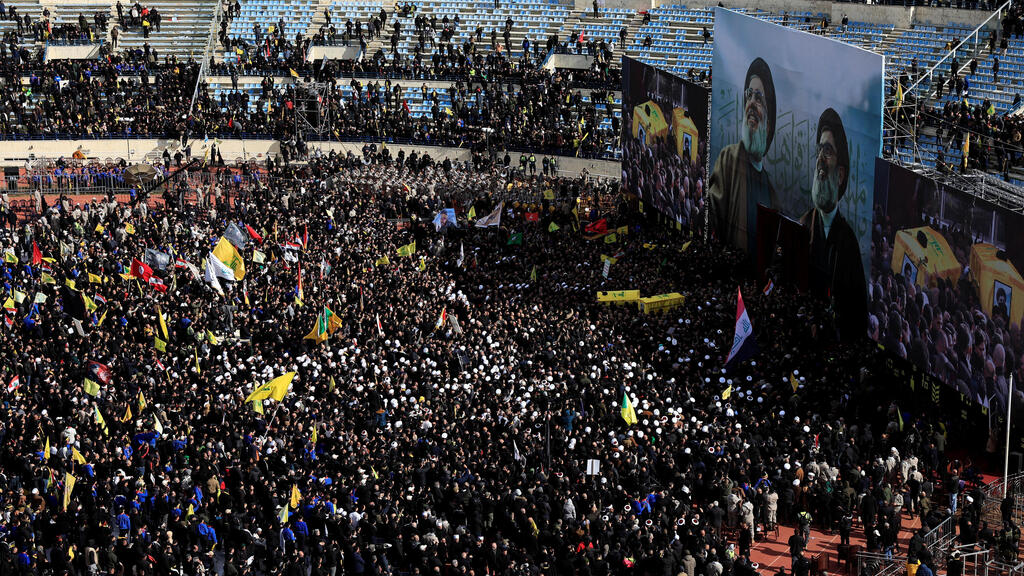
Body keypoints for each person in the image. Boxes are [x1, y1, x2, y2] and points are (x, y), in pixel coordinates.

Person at [799, 108, 867, 341]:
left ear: (840, 175)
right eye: (819, 150)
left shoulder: (848, 244)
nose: (819, 160)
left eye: (827, 152)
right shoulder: (803, 225)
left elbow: (857, 317)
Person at [709, 57, 778, 253]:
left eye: (759, 98)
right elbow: (712, 213)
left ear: (770, 122)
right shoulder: (728, 159)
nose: (752, 104)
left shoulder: (771, 193)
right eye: (749, 95)